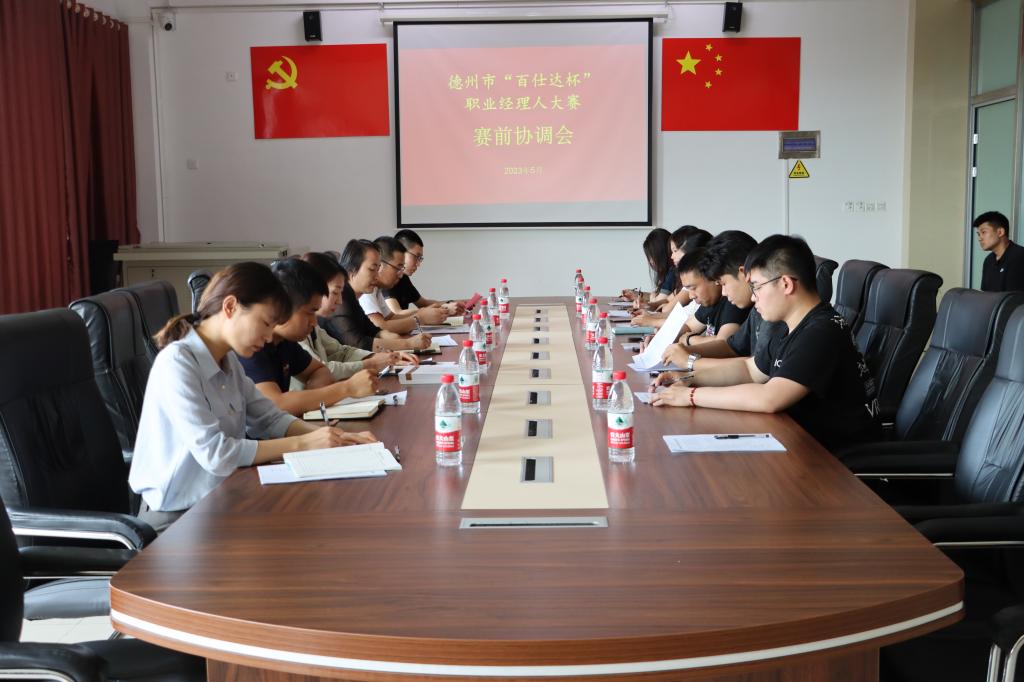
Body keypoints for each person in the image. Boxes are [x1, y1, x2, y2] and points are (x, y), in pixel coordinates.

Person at [129, 262, 376, 532]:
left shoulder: (229, 361)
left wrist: (333, 438)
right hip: (176, 518)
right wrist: (305, 443)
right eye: (266, 323)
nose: (269, 337)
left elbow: (270, 419)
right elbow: (218, 454)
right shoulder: (177, 363)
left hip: (222, 499)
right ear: (230, 307)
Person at [652, 235, 880, 452]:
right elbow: (750, 370)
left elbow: (769, 397)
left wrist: (691, 396)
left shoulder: (821, 331)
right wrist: (690, 378)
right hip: (801, 440)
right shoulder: (789, 325)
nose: (753, 297)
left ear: (786, 284)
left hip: (835, 459)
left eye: (757, 287)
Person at [238, 259, 380, 417]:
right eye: (310, 312)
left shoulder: (285, 342)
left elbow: (320, 370)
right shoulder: (254, 345)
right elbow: (276, 405)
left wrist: (310, 399)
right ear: (283, 306)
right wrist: (347, 388)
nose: (314, 322)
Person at [661, 231, 786, 367]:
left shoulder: (770, 313)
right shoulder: (756, 312)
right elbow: (732, 349)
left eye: (723, 283)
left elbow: (754, 370)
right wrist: (684, 352)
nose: (723, 293)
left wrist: (690, 360)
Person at [294, 252, 418, 389]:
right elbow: (323, 370)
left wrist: (382, 357)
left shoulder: (315, 324)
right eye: (335, 293)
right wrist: (371, 363)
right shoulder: (295, 329)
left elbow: (341, 352)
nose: (339, 301)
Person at [323, 239, 433, 352]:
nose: (377, 276)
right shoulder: (340, 298)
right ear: (352, 270)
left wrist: (394, 338)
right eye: (372, 269)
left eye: (378, 269)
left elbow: (373, 330)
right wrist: (408, 343)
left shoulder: (351, 295)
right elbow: (357, 344)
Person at [361, 236, 448, 334]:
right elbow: (380, 327)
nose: (401, 275)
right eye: (398, 268)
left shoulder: (376, 288)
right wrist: (420, 318)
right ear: (380, 265)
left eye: (402, 268)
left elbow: (391, 317)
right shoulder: (366, 288)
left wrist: (424, 312)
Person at [668, 248, 749, 350]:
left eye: (693, 288)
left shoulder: (732, 301)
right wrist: (662, 340)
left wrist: (690, 339)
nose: (691, 296)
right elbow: (689, 326)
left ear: (713, 277)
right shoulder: (709, 301)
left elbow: (723, 343)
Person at [385, 229, 465, 315]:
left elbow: (423, 303)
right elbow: (397, 313)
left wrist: (455, 303)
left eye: (420, 259)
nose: (418, 264)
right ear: (400, 252)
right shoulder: (387, 278)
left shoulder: (403, 278)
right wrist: (444, 308)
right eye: (416, 257)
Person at [975, 211, 1024, 292]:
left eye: (984, 232)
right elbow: (985, 294)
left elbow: (1015, 297)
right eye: (978, 234)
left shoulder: (1019, 256)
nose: (980, 238)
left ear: (1000, 232)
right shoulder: (988, 260)